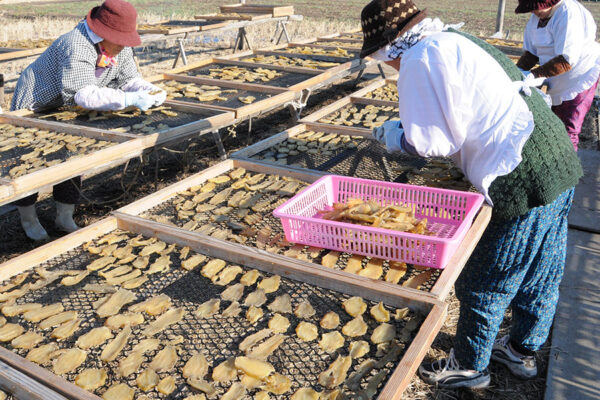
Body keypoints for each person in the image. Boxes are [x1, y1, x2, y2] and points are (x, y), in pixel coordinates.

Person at [360, 0, 583, 389]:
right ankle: (521, 351)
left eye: (381, 57)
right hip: (555, 158)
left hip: (520, 174)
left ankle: (469, 365)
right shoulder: (452, 38)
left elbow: (433, 141)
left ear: (389, 46)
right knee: (542, 269)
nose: (387, 64)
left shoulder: (418, 57)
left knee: (486, 280)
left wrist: (397, 136)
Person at [10, 0, 166, 241]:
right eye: (120, 39)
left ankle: (64, 217)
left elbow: (129, 78)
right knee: (31, 162)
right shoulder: (77, 44)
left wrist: (149, 90)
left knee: (71, 156)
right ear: (104, 33)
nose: (124, 45)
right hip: (37, 105)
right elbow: (83, 94)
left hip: (68, 108)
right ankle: (28, 219)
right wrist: (128, 99)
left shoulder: (119, 46)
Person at [515, 0, 600, 151]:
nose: (534, 12)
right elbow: (532, 53)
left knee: (568, 127)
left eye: (537, 8)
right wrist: (516, 72)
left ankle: (568, 170)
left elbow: (567, 61)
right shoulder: (537, 17)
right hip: (555, 76)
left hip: (579, 75)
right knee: (554, 125)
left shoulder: (567, 13)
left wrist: (534, 74)